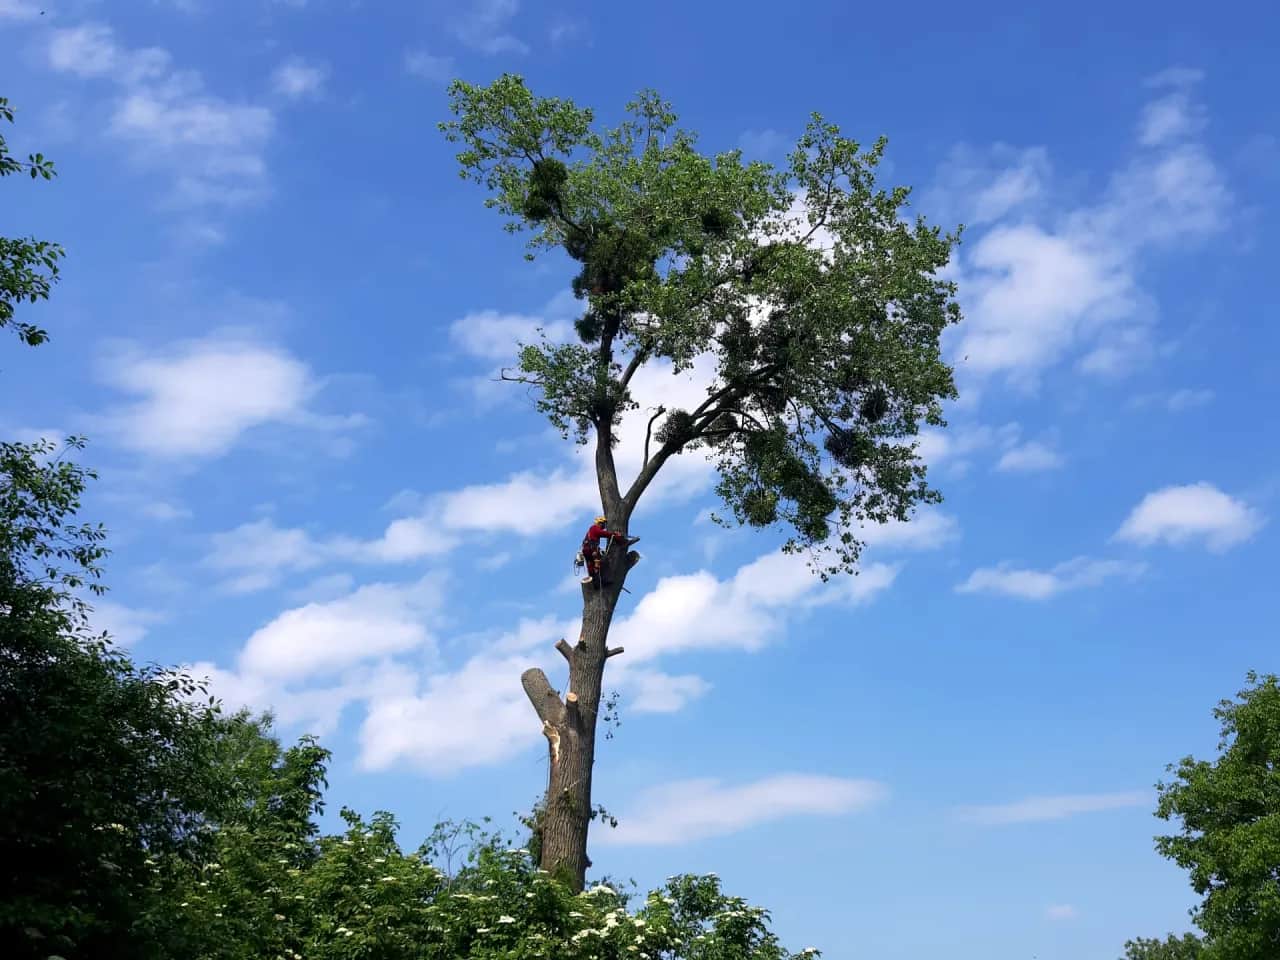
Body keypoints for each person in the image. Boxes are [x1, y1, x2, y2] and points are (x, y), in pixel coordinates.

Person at [579, 515, 638, 585]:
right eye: (603, 523)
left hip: (587, 550)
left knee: (591, 566)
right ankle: (604, 579)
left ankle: (595, 582)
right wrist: (615, 535)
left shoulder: (591, 530)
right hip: (592, 549)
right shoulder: (594, 528)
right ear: (599, 523)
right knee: (603, 562)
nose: (604, 526)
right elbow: (602, 533)